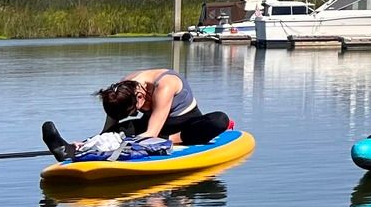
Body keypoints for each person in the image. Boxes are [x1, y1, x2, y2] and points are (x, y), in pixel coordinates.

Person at [42, 68, 230, 161]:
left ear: (140, 96)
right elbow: (113, 120)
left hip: (184, 126)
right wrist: (103, 137)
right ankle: (68, 150)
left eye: (133, 110)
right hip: (151, 124)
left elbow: (151, 134)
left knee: (219, 120)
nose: (135, 112)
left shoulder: (164, 86)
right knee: (120, 131)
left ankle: (172, 141)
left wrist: (129, 144)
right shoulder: (124, 87)